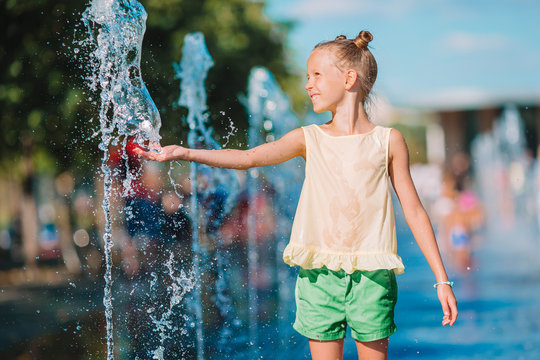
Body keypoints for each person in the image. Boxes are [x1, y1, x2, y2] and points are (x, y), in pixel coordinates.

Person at [134, 30, 458, 360]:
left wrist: (442, 281)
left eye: (316, 75)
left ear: (349, 79)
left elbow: (415, 212)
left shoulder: (388, 141)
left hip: (372, 278)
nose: (308, 84)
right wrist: (186, 153)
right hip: (319, 276)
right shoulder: (309, 138)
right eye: (307, 76)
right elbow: (249, 158)